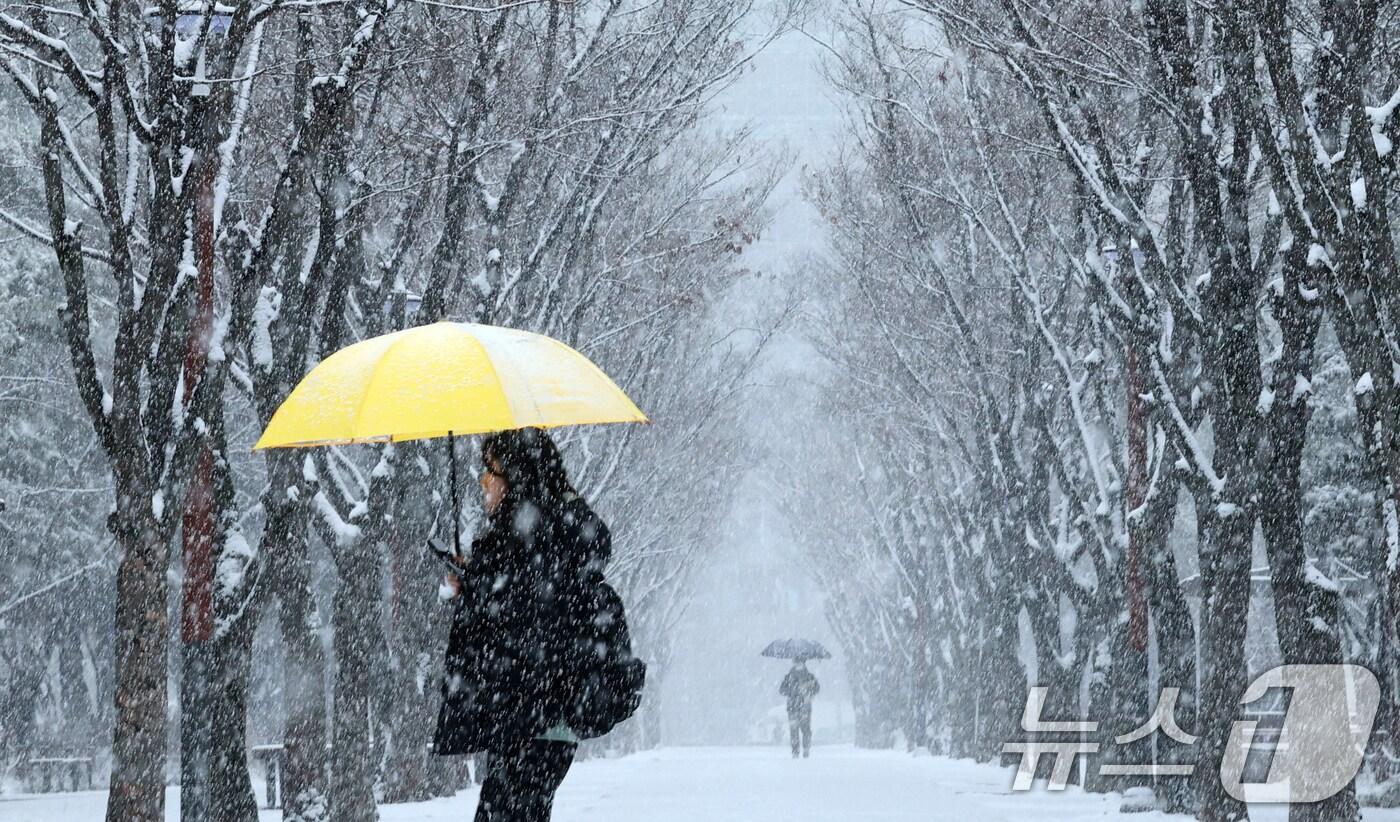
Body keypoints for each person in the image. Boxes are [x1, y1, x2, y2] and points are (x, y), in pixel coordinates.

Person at [433, 428, 610, 822]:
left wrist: (480, 588)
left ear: (516, 477)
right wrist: (477, 581)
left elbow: (528, 622)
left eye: (491, 471)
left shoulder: (532, 538)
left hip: (530, 719)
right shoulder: (544, 537)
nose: (484, 481)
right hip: (540, 723)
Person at [780, 659, 820, 758]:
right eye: (796, 662)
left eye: (799, 662)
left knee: (805, 729)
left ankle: (806, 748)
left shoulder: (809, 676)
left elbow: (817, 688)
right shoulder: (788, 677)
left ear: (803, 663)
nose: (797, 664)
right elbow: (782, 690)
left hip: (804, 707)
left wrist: (808, 691)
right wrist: (793, 691)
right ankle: (795, 751)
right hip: (792, 708)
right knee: (794, 730)